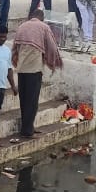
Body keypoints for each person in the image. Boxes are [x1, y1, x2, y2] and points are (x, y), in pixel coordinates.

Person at [13, 9, 63, 137]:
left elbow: (15, 48)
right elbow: (52, 46)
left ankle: (27, 127)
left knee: (24, 99)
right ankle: (27, 130)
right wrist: (53, 61)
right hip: (34, 69)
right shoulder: (43, 27)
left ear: (31, 17)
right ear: (42, 18)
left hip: (21, 68)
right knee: (32, 100)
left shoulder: (22, 26)